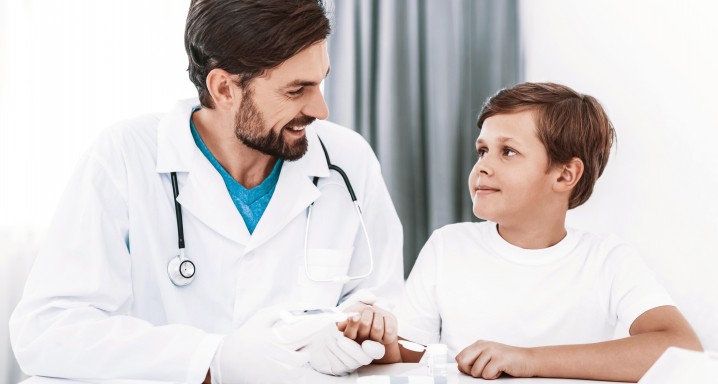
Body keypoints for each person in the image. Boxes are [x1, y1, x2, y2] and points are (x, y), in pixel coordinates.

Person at [9, 0, 404, 382]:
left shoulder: (348, 160)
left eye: (320, 82)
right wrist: (210, 360)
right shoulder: (125, 157)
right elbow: (47, 330)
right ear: (225, 89)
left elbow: (383, 307)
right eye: (296, 90)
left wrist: (364, 332)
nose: (321, 110)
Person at [349, 82, 703, 382]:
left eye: (508, 152)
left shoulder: (607, 260)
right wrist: (376, 339)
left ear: (565, 175)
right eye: (482, 150)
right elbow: (414, 351)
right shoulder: (448, 246)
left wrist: (527, 359)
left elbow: (681, 347)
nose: (483, 166)